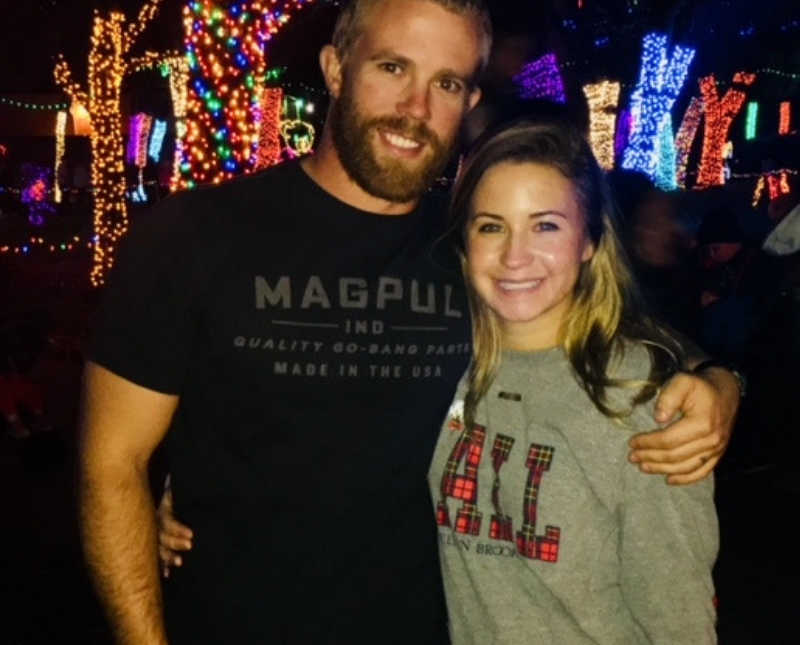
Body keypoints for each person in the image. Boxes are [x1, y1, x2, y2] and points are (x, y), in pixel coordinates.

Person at [80, 1, 739, 643]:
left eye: (445, 82)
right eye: (393, 67)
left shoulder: (469, 250)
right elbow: (111, 465)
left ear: (468, 99)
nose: (417, 107)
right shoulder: (190, 236)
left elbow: (601, 322)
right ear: (336, 69)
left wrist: (715, 379)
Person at [430, 119, 718, 643]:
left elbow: (678, 617)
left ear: (588, 241)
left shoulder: (639, 397)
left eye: (546, 226)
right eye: (491, 226)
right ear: (465, 241)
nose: (515, 257)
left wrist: (723, 381)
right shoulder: (449, 366)